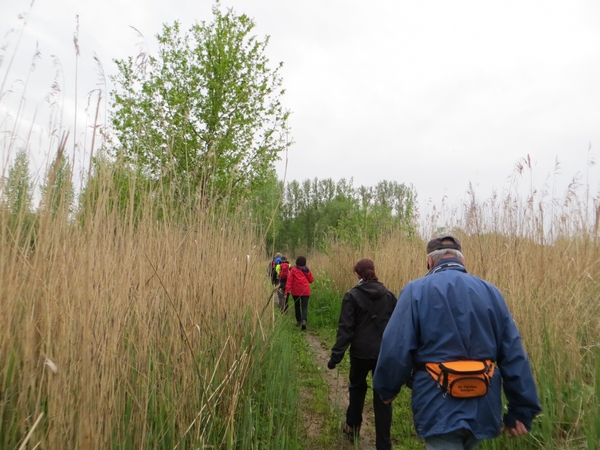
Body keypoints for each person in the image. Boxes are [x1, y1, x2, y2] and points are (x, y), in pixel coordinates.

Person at [373, 235, 541, 450]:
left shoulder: (416, 290)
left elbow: (396, 346)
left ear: (430, 261)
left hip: (437, 404)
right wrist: (522, 409)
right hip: (483, 404)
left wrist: (387, 389)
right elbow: (513, 352)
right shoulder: (491, 292)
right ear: (463, 260)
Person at [327, 258, 397, 450]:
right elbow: (396, 328)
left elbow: (346, 329)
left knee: (357, 388)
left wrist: (336, 356)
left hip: (360, 353)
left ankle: (353, 426)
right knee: (383, 397)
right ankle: (384, 444)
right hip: (382, 354)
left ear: (358, 274)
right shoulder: (389, 296)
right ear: (374, 271)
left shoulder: (352, 295)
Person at [284, 256, 314, 330]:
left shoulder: (293, 269)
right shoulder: (307, 270)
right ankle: (304, 320)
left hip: (296, 291)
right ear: (304, 262)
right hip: (305, 290)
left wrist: (286, 291)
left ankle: (298, 321)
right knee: (304, 307)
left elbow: (289, 281)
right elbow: (311, 280)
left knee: (297, 306)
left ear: (297, 262)